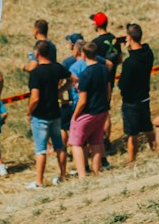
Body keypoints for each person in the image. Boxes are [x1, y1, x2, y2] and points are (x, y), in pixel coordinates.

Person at [27, 39, 69, 188]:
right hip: (55, 113)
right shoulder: (57, 68)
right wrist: (61, 90)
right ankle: (63, 175)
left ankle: (39, 182)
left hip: (41, 116)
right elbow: (73, 79)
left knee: (41, 150)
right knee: (59, 146)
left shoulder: (36, 73)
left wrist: (29, 111)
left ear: (37, 53)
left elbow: (35, 97)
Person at [69, 39, 111, 178]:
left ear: (83, 55)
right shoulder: (104, 69)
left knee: (76, 143)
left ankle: (82, 176)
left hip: (87, 112)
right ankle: (96, 172)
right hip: (102, 110)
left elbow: (82, 100)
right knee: (96, 141)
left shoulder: (85, 75)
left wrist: (75, 115)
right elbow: (108, 89)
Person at [118, 23, 154, 165]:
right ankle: (155, 149)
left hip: (131, 101)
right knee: (148, 127)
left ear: (129, 37)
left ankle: (132, 160)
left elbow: (122, 85)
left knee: (132, 133)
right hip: (144, 96)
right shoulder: (148, 53)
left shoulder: (130, 62)